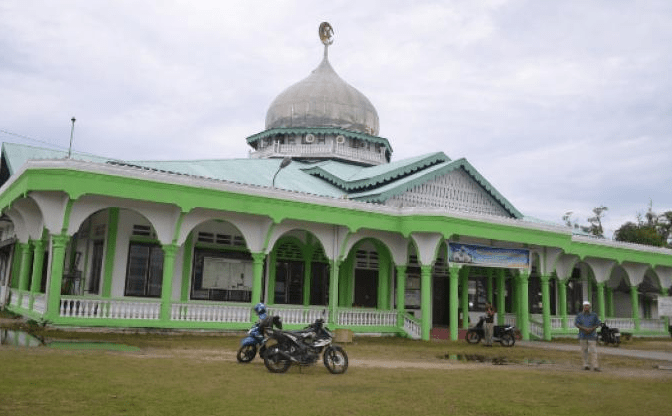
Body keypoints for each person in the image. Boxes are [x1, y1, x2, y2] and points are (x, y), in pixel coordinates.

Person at [574, 300, 601, 371]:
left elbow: (598, 323)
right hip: (582, 335)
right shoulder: (580, 315)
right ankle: (585, 365)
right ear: (583, 307)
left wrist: (591, 329)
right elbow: (577, 324)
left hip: (592, 335)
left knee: (593, 351)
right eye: (585, 306)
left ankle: (595, 366)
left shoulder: (594, 315)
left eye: (587, 306)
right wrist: (584, 329)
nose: (586, 307)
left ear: (590, 307)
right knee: (584, 350)